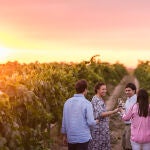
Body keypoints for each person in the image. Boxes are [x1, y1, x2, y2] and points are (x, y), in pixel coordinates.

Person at [61, 79, 99, 150]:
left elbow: (64, 121)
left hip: (71, 138)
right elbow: (90, 122)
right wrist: (96, 121)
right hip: (83, 138)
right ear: (85, 90)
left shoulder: (67, 102)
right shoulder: (87, 103)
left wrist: (64, 135)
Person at [88, 82, 119, 150]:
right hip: (98, 130)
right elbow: (101, 114)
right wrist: (114, 111)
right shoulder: (96, 99)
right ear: (97, 90)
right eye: (103, 89)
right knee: (98, 146)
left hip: (102, 129)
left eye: (105, 89)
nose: (105, 91)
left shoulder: (100, 98)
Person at [122, 83, 137, 150]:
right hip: (126, 124)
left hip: (132, 125)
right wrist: (121, 110)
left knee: (129, 146)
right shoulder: (128, 99)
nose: (127, 92)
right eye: (126, 90)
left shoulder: (136, 100)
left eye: (129, 90)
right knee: (124, 143)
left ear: (134, 91)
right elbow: (126, 112)